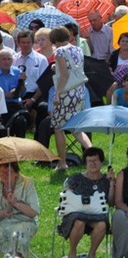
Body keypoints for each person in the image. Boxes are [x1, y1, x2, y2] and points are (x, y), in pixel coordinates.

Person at [58, 147, 115, 258]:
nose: (93, 164)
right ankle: (72, 253)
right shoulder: (76, 178)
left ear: (101, 162)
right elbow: (66, 197)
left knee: (102, 224)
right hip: (76, 213)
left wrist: (111, 184)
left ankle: (91, 255)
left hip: (96, 214)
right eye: (89, 161)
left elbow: (111, 202)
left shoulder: (106, 180)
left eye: (95, 160)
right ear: (85, 163)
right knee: (79, 222)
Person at [50, 26, 91, 172]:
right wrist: (57, 67)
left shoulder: (59, 51)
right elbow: (73, 68)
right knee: (75, 127)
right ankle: (93, 152)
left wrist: (57, 94)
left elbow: (65, 75)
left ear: (54, 40)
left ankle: (62, 163)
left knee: (58, 127)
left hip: (66, 93)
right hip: (79, 91)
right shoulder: (77, 49)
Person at [0, 162, 40, 257]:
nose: (4, 175)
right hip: (3, 221)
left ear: (16, 173)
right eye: (1, 172)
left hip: (25, 221)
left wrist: (15, 203)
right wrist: (2, 214)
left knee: (17, 235)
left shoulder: (27, 183)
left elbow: (33, 212)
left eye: (8, 172)